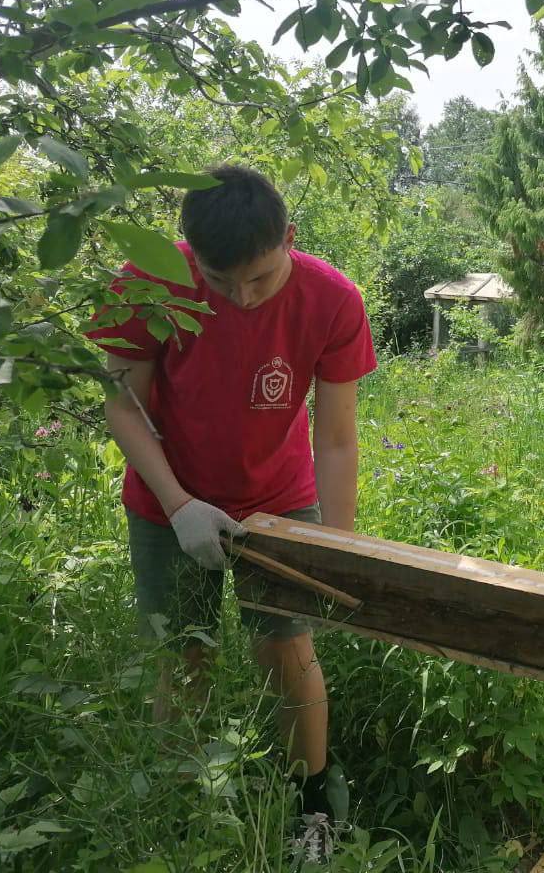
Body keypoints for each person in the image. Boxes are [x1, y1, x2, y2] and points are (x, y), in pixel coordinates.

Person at [87, 165, 376, 859]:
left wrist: (336, 548)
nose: (243, 297)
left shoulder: (332, 299)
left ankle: (311, 808)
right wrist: (179, 504)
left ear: (289, 238)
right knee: (184, 656)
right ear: (193, 253)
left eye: (260, 279)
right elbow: (122, 403)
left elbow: (336, 438)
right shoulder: (150, 279)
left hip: (278, 501)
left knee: (287, 651)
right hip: (167, 501)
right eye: (221, 283)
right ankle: (179, 808)